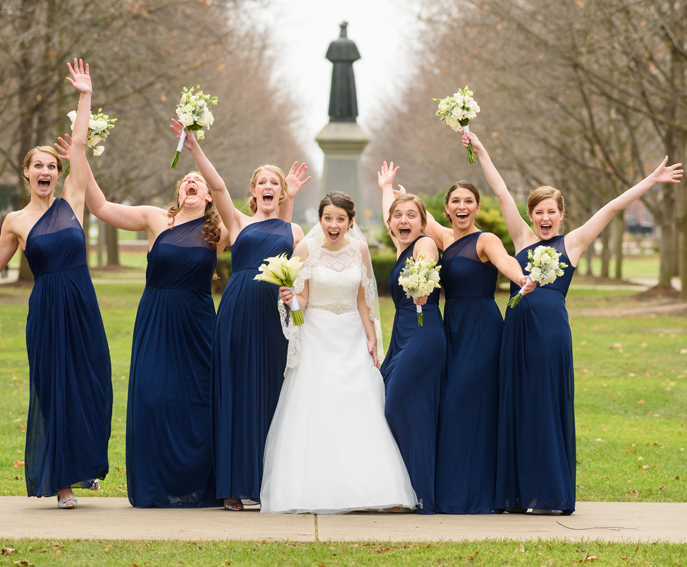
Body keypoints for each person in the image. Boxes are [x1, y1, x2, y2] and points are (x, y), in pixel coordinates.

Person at [458, 131, 683, 515]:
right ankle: (517, 494)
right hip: (517, 334)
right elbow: (501, 193)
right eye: (539, 212)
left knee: (545, 406)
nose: (545, 218)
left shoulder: (573, 244)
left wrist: (649, 180)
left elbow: (611, 208)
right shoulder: (521, 239)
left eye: (551, 211)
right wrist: (480, 151)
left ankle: (550, 494)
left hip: (549, 336)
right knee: (518, 405)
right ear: (532, 216)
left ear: (561, 214)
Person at [0, 60, 112, 508]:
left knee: (94, 385)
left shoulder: (73, 199)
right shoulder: (15, 220)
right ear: (26, 174)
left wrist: (84, 96)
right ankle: (64, 484)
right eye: (39, 166)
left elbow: (81, 148)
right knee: (56, 390)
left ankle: (86, 464)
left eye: (53, 164)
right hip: (47, 310)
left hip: (83, 304)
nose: (47, 171)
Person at [54, 128, 229, 508]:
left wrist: (197, 154)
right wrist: (79, 159)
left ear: (209, 194)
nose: (192, 183)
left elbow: (251, 214)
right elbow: (101, 207)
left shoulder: (220, 231)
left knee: (199, 402)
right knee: (152, 397)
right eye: (186, 180)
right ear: (179, 192)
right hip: (157, 318)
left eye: (198, 181)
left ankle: (202, 486)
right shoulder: (155, 219)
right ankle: (154, 487)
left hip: (198, 324)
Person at [377, 163, 535, 514]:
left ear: (477, 207)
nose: (462, 207)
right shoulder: (445, 239)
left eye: (468, 201)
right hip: (453, 329)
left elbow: (505, 261)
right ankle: (449, 493)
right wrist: (387, 188)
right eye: (455, 202)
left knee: (467, 405)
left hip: (481, 329)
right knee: (451, 410)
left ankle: (474, 495)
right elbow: (403, 220)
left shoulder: (486, 239)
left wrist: (522, 278)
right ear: (446, 209)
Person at [171, 119, 309, 511]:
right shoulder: (239, 222)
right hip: (235, 313)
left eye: (275, 184)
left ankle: (268, 484)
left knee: (270, 395)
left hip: (273, 318)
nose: (268, 187)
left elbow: (299, 287)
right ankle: (230, 485)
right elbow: (217, 188)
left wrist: (292, 304)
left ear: (282, 192)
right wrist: (195, 147)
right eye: (262, 182)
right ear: (253, 191)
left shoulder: (297, 232)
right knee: (233, 393)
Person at [260, 192, 417, 514]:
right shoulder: (305, 249)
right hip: (316, 334)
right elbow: (302, 300)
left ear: (350, 222)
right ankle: (313, 489)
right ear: (320, 220)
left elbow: (364, 299)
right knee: (317, 405)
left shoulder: (359, 249)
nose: (333, 225)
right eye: (328, 218)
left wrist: (372, 338)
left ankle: (374, 487)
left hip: (352, 335)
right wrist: (291, 298)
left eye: (340, 219)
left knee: (361, 404)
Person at [378, 190, 446, 514]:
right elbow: (390, 218)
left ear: (422, 222)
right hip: (401, 336)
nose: (404, 220)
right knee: (395, 408)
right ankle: (400, 490)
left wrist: (422, 280)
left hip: (423, 332)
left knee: (397, 408)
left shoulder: (423, 244)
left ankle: (417, 494)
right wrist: (385, 189)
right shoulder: (400, 247)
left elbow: (425, 263)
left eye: (411, 215)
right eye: (398, 216)